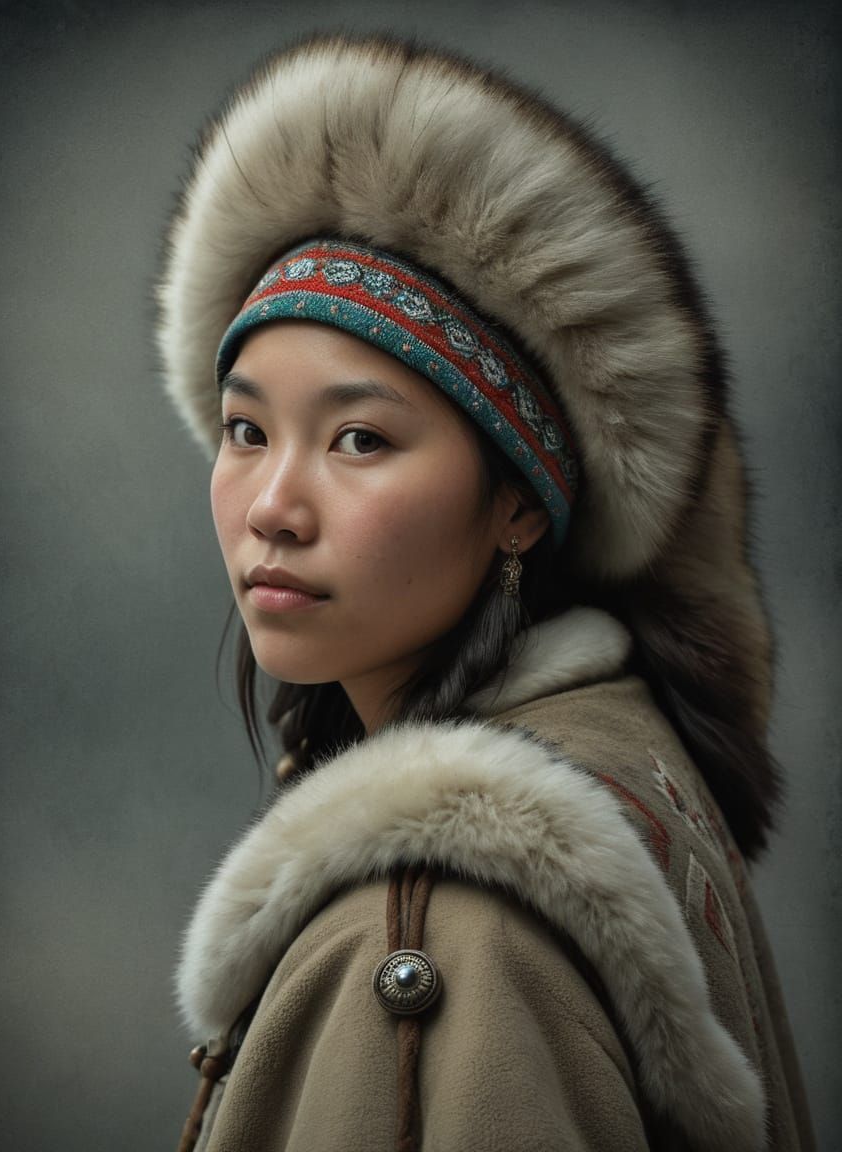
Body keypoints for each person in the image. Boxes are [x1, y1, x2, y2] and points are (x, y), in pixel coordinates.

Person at [157, 34, 815, 1152]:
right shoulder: (625, 756)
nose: (272, 503)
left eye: (359, 439)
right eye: (244, 430)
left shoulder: (438, 930)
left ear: (518, 506)